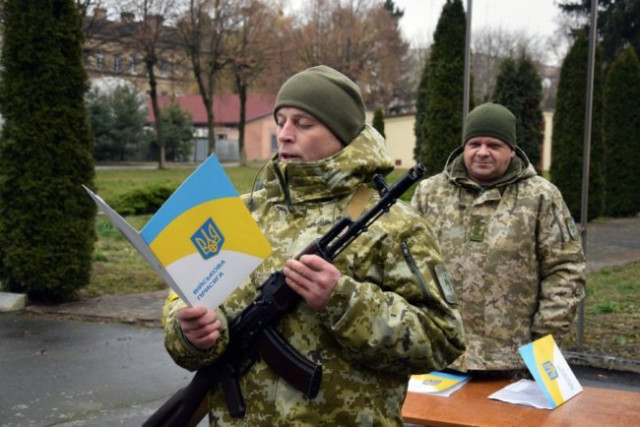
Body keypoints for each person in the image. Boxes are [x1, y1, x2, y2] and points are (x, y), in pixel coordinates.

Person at [161, 65, 466, 425]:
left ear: (341, 133)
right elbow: (182, 301)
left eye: (303, 124)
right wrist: (190, 334)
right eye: (280, 122)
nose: (284, 135)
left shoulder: (395, 224)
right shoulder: (238, 213)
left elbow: (442, 339)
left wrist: (344, 301)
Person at [411, 102, 586, 377]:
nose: (482, 152)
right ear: (464, 147)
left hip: (513, 360)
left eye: (494, 145)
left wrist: (544, 341)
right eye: (474, 144)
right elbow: (407, 264)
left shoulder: (541, 196)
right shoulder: (429, 193)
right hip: (439, 355)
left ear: (512, 150)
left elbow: (565, 270)